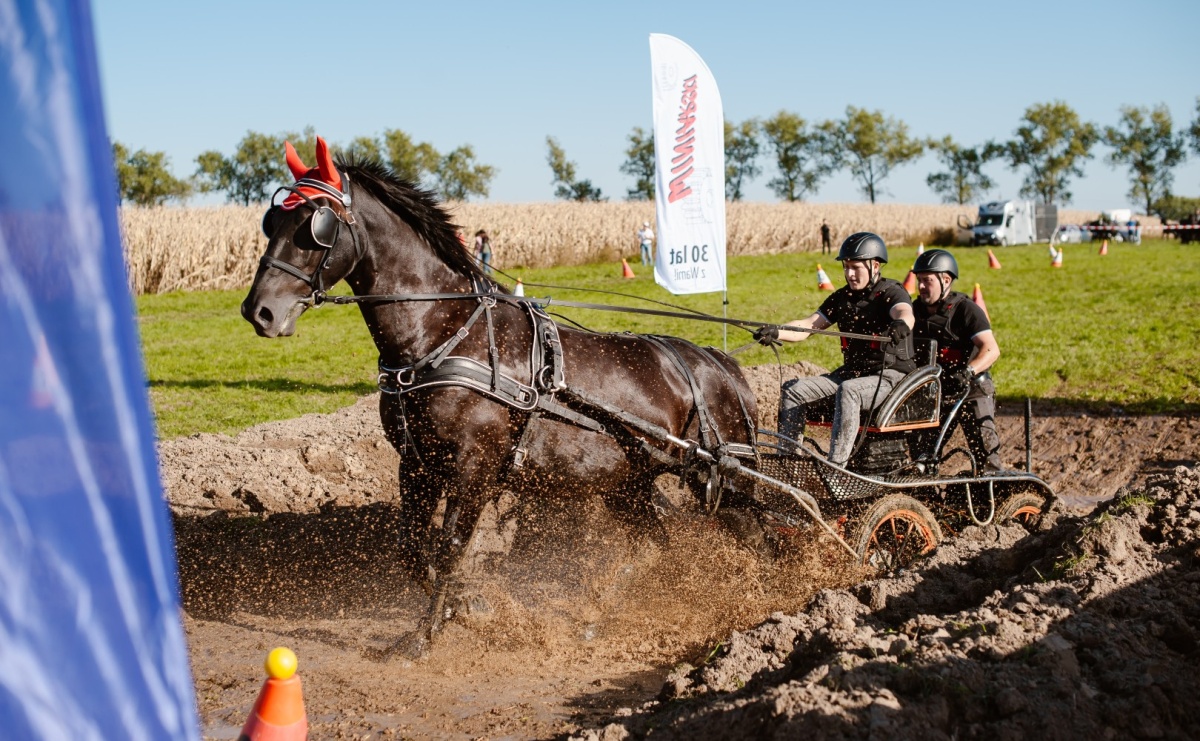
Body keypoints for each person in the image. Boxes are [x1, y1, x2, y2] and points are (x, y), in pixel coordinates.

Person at [754, 232, 915, 467]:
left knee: (849, 390)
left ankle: (836, 466)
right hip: (852, 374)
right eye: (846, 267)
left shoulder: (891, 292)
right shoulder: (842, 297)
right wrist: (776, 331)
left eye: (856, 267)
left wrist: (900, 324)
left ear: (875, 265)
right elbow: (809, 326)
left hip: (891, 377)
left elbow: (904, 312)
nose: (849, 274)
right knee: (793, 389)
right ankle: (788, 461)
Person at [910, 249, 1003, 471]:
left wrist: (968, 372)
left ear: (946, 280)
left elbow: (991, 349)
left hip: (972, 390)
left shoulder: (966, 309)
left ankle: (992, 498)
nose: (921, 287)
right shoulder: (915, 311)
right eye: (919, 280)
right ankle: (926, 497)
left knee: (986, 453)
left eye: (927, 281)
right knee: (922, 456)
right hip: (937, 393)